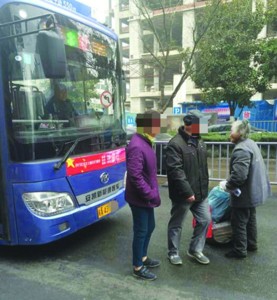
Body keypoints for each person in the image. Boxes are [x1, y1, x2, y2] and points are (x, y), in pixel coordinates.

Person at [166, 113, 211, 265]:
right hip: (183, 194)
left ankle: (195, 249)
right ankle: (173, 252)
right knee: (177, 224)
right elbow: (175, 171)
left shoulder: (200, 141)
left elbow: (202, 168)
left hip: (200, 192)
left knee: (205, 219)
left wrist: (204, 188)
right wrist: (187, 192)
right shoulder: (175, 144)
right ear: (190, 125)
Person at [221, 120, 271, 259]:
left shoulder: (241, 149)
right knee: (250, 219)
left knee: (239, 221)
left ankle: (239, 250)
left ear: (240, 133)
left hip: (244, 194)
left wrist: (227, 185)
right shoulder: (251, 144)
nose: (229, 133)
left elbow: (239, 176)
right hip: (253, 191)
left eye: (232, 130)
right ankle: (251, 244)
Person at [125, 110, 161, 281]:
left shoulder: (145, 141)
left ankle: (144, 257)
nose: (158, 127)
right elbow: (135, 176)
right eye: (156, 124)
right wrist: (149, 193)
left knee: (150, 226)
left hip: (147, 196)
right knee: (141, 230)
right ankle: (138, 266)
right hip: (140, 197)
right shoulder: (137, 145)